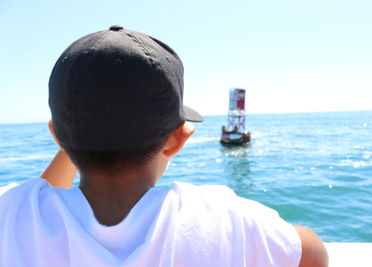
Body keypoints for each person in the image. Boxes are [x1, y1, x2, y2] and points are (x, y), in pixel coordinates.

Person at [0, 25, 328, 267]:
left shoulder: (12, 213)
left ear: (56, 135)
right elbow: (312, 253)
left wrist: (76, 138)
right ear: (177, 138)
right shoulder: (228, 219)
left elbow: (36, 195)